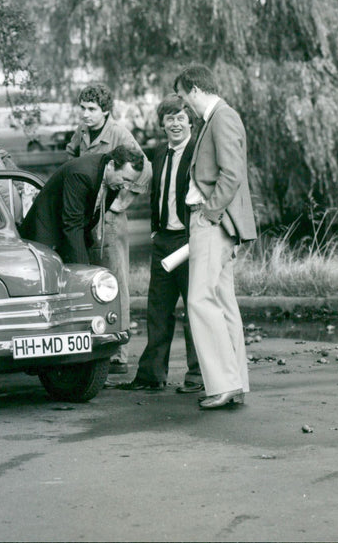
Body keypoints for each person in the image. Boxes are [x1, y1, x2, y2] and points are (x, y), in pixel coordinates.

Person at [174, 64, 257, 409]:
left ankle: (222, 385)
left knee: (200, 301)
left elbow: (232, 173)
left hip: (211, 223)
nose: (183, 105)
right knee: (222, 302)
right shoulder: (219, 117)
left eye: (182, 96)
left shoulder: (221, 117)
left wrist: (209, 212)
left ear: (194, 89)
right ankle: (234, 382)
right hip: (219, 225)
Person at [64, 84, 152, 375]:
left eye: (91, 109)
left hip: (110, 220)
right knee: (91, 279)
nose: (85, 114)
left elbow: (145, 169)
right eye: (82, 108)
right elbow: (72, 160)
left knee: (115, 281)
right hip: (88, 217)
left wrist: (119, 207)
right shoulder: (81, 132)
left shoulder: (118, 133)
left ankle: (120, 351)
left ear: (105, 111)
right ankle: (96, 342)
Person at [117, 95, 202, 392]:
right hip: (164, 239)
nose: (175, 124)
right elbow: (156, 192)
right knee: (157, 310)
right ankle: (152, 375)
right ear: (162, 124)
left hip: (190, 242)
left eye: (180, 117)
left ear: (190, 121)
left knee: (195, 310)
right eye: (169, 118)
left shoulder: (199, 151)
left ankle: (198, 377)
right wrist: (155, 232)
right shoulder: (159, 152)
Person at [18, 145, 145, 266]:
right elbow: (72, 224)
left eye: (130, 183)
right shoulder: (82, 174)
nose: (125, 186)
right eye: (125, 180)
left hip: (66, 236)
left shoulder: (114, 179)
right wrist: (84, 270)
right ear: (112, 165)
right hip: (44, 237)